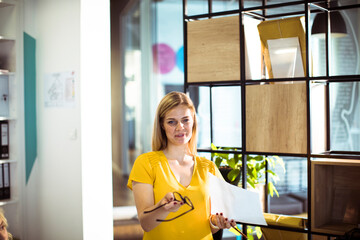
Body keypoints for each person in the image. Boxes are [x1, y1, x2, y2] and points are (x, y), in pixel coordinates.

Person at [127, 91, 236, 240]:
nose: (180, 127)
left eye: (185, 120)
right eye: (172, 122)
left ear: (193, 122)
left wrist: (217, 223)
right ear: (162, 125)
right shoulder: (146, 163)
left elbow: (211, 225)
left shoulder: (208, 167)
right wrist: (163, 208)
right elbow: (146, 224)